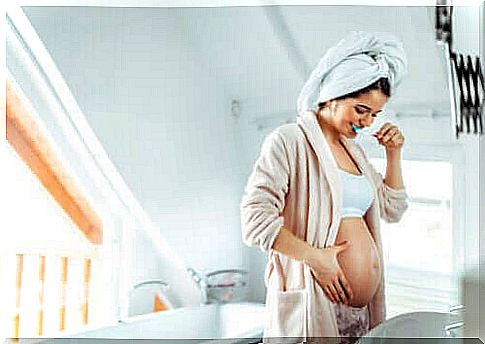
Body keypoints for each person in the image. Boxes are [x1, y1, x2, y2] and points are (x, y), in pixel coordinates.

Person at [240, 31, 409, 343]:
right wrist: (316, 259)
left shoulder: (354, 151)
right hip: (313, 305)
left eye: (375, 114)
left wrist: (393, 154)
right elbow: (254, 222)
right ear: (333, 94)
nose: (368, 122)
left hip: (359, 316)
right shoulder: (290, 141)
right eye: (361, 109)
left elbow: (393, 208)